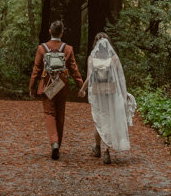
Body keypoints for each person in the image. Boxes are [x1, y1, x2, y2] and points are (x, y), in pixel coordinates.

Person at [29, 19, 84, 160]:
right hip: (61, 85)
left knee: (49, 113)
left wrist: (32, 87)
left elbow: (36, 69)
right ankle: (58, 144)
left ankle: (53, 142)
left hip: (47, 85)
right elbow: (74, 69)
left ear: (49, 31)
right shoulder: (68, 49)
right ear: (62, 32)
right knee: (60, 115)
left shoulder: (42, 48)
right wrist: (81, 86)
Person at [79, 32, 136, 164]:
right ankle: (106, 151)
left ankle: (97, 148)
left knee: (100, 120)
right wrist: (124, 93)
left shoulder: (91, 57)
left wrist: (82, 89)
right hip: (111, 92)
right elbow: (120, 78)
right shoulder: (114, 58)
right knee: (110, 120)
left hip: (98, 93)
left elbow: (89, 78)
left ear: (95, 43)